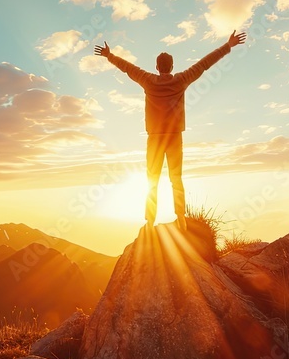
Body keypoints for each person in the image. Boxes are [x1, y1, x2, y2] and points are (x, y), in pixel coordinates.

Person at [94, 30, 247, 228]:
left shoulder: (147, 80)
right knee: (176, 178)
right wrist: (228, 46)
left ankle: (150, 220)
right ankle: (181, 217)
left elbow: (127, 68)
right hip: (174, 138)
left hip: (155, 138)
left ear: (157, 67)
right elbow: (204, 64)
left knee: (152, 179)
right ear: (172, 66)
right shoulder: (181, 80)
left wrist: (109, 56)